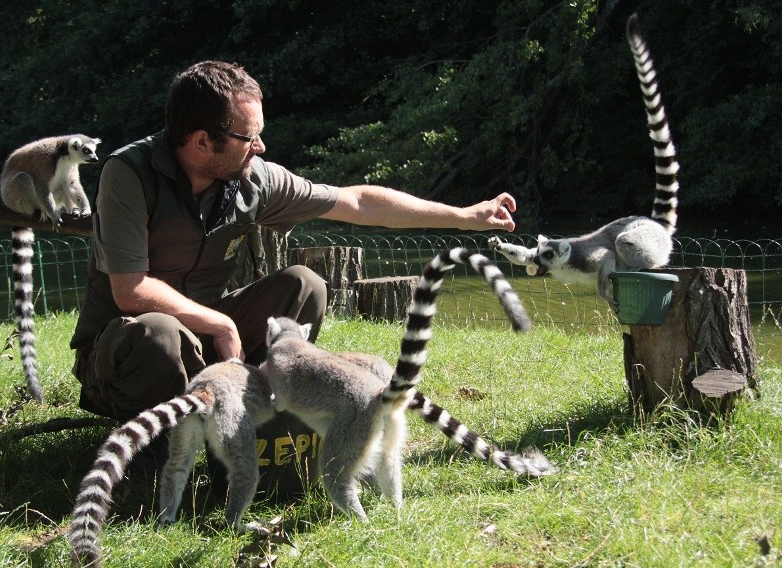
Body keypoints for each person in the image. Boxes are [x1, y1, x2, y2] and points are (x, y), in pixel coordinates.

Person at [69, 60, 518, 472]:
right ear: (203, 141)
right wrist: (221, 324)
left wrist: (464, 216)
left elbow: (357, 202)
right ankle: (158, 457)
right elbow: (131, 289)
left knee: (305, 286)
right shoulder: (128, 173)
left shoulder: (251, 178)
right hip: (123, 353)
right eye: (250, 137)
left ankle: (259, 423)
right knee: (159, 331)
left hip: (203, 346)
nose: (261, 147)